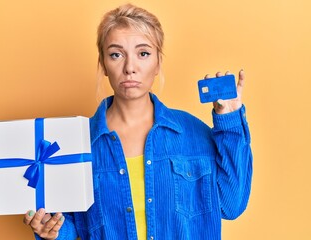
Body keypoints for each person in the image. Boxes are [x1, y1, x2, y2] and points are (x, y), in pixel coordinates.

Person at [23, 3, 252, 240]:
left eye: (143, 53)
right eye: (116, 54)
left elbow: (231, 205)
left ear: (158, 63)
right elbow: (73, 229)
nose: (130, 68)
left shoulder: (193, 135)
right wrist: (51, 231)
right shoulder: (77, 145)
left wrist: (230, 122)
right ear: (103, 64)